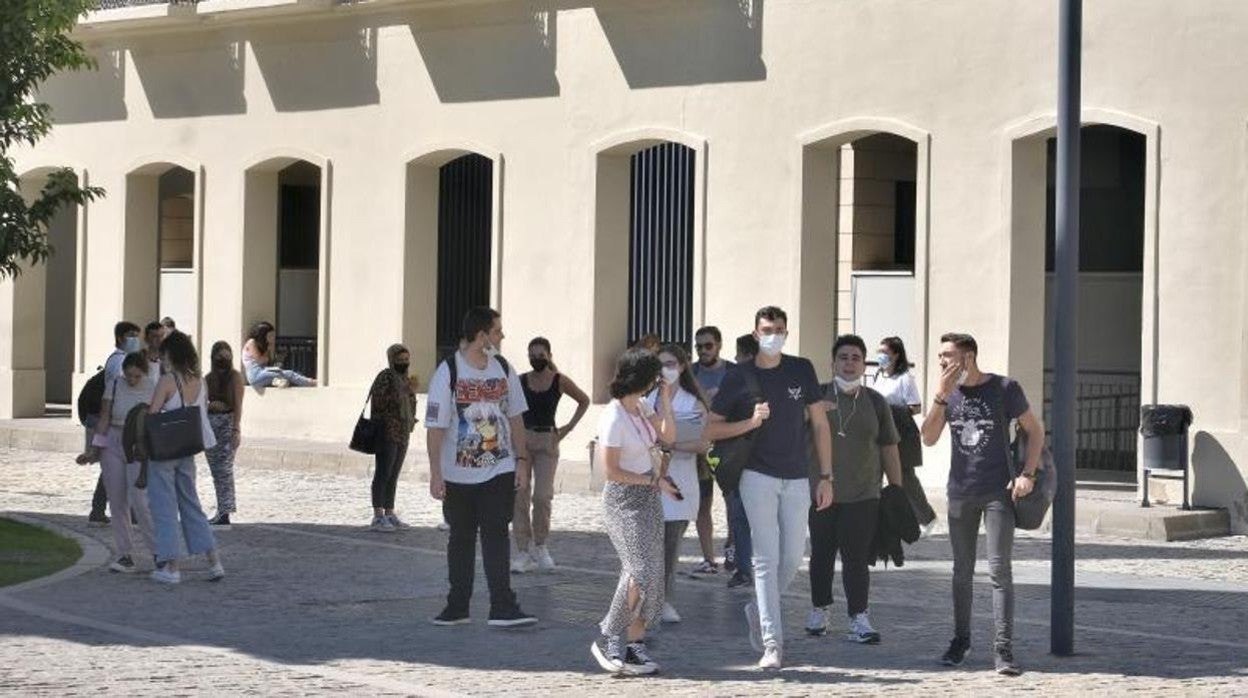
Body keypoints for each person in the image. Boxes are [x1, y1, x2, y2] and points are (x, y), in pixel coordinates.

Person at [707, 306, 833, 670]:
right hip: (755, 475)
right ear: (756, 332)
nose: (773, 334)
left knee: (793, 555)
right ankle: (772, 643)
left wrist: (826, 476)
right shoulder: (739, 376)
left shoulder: (801, 369)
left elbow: (820, 425)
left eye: (779, 328)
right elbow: (711, 430)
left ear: (787, 332)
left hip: (797, 476)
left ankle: (759, 607)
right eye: (767, 329)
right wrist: (749, 422)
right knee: (765, 558)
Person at [921, 332, 1044, 676]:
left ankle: (1003, 649)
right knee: (961, 571)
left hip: (997, 493)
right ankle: (960, 640)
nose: (943, 362)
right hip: (960, 492)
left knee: (998, 570)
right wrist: (941, 399)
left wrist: (1028, 474)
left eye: (949, 355)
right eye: (941, 356)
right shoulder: (949, 394)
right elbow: (928, 438)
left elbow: (1034, 431)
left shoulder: (1004, 388)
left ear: (969, 356)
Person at [425, 307, 536, 627]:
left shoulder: (503, 368)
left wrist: (522, 461)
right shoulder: (448, 372)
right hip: (457, 473)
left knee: (496, 534)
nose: (502, 336)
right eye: (497, 330)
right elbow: (435, 427)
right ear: (482, 335)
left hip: (498, 469)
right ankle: (457, 605)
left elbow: (515, 417)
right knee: (460, 538)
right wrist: (436, 472)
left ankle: (502, 605)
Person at [805, 335, 902, 643]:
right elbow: (792, 433)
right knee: (821, 554)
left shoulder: (875, 401)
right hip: (821, 490)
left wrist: (896, 488)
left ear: (863, 363)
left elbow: (888, 446)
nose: (849, 363)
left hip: (864, 492)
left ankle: (858, 616)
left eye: (855, 358)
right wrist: (809, 411)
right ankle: (820, 608)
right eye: (843, 357)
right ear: (833, 362)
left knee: (856, 558)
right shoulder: (816, 395)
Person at [589, 348, 678, 676]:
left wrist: (664, 400)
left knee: (653, 574)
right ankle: (610, 634)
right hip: (624, 500)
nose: (659, 380)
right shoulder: (613, 416)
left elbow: (668, 436)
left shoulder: (641, 407)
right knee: (637, 568)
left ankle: (634, 643)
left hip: (649, 497)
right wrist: (653, 480)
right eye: (655, 375)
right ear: (641, 378)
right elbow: (611, 471)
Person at [146, 331, 225, 584]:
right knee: (192, 504)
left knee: (164, 507)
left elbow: (153, 413)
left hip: (165, 449)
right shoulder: (199, 380)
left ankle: (171, 566)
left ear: (171, 354)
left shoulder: (168, 380)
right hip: (188, 447)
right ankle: (214, 561)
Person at [512, 337, 590, 572]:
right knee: (520, 494)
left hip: (548, 439)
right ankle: (522, 551)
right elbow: (510, 408)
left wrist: (567, 428)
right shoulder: (520, 381)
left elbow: (584, 400)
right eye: (532, 354)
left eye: (540, 354)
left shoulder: (559, 380)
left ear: (548, 355)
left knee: (542, 496)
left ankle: (541, 544)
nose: (536, 358)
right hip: (524, 439)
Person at [77, 351, 157, 573]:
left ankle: (158, 552)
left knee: (140, 500)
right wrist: (94, 449)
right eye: (128, 375)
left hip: (137, 445)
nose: (132, 380)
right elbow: (104, 419)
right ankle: (124, 554)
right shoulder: (114, 384)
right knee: (117, 500)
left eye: (136, 376)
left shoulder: (152, 386)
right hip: (113, 441)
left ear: (144, 373)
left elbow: (155, 419)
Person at [652, 344, 709, 624]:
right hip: (648, 481)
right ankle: (644, 599)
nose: (666, 369)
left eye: (672, 363)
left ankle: (664, 600)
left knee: (669, 545)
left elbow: (702, 443)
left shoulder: (692, 403)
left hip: (680, 482)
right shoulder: (645, 399)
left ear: (683, 366)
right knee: (647, 545)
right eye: (661, 364)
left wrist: (670, 445)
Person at [871, 336, 936, 529]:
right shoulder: (877, 375)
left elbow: (915, 406)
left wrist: (890, 409)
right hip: (877, 431)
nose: (881, 356)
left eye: (885, 352)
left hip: (900, 432)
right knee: (874, 473)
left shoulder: (904, 378)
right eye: (879, 352)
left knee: (905, 477)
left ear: (896, 355)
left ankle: (926, 517)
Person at [85, 321, 143, 527]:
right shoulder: (119, 362)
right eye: (131, 335)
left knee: (118, 467)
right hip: (118, 423)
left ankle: (100, 509)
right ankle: (128, 511)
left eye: (137, 334)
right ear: (120, 338)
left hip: (124, 423)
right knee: (124, 467)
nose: (135, 338)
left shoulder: (125, 359)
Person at [689, 325, 732, 577]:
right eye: (699, 346)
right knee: (702, 505)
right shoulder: (690, 373)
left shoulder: (732, 373)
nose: (703, 351)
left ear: (718, 345)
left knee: (732, 505)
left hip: (727, 446)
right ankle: (708, 559)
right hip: (698, 448)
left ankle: (733, 555)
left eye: (708, 346)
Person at [368, 344, 418, 532]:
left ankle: (389, 511)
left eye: (406, 360)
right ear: (392, 360)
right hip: (387, 431)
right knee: (383, 472)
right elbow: (379, 401)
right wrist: (403, 392)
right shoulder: (386, 377)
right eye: (400, 360)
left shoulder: (405, 378)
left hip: (403, 431)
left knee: (394, 474)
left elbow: (410, 402)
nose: (404, 363)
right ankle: (378, 515)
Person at [205, 341, 244, 528]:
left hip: (226, 424)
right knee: (216, 471)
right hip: (211, 424)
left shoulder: (235, 377)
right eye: (219, 357)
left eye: (226, 357)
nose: (222, 361)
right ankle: (221, 510)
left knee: (225, 470)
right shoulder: (209, 378)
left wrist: (236, 429)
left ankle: (225, 512)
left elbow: (238, 404)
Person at [241, 320, 317, 388]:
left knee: (287, 374)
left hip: (262, 372)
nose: (272, 338)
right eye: (270, 335)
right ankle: (310, 382)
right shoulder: (251, 342)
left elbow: (267, 361)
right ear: (263, 335)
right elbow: (260, 360)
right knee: (288, 374)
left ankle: (279, 382)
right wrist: (267, 350)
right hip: (256, 375)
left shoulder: (263, 346)